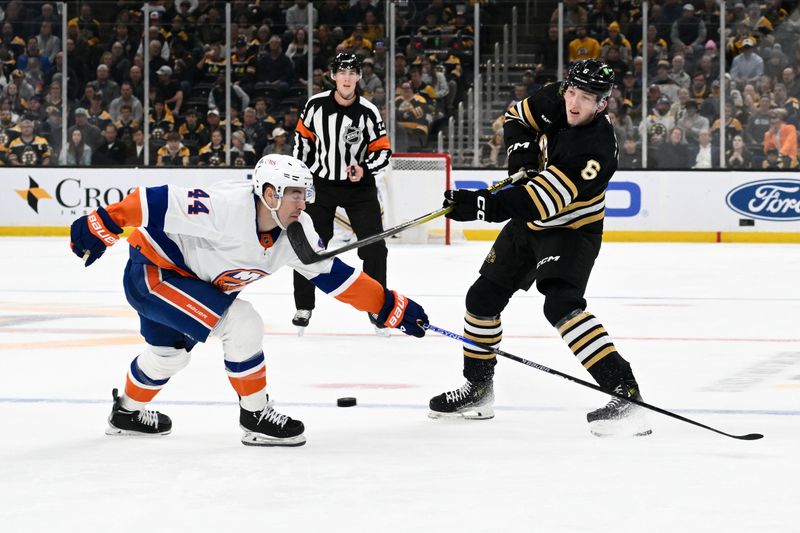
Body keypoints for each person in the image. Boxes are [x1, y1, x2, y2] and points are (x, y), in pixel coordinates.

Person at [68, 154, 427, 447]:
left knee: (168, 357)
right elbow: (150, 200)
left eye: (305, 194)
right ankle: (255, 414)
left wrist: (387, 306)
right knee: (243, 322)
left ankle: (126, 414)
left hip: (190, 283)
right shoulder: (225, 207)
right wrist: (103, 223)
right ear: (269, 194)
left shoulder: (296, 232)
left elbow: (336, 278)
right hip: (155, 273)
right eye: (294, 194)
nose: (302, 203)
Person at [428, 60, 652, 438]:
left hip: (571, 230)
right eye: (572, 93)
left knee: (561, 304)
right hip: (528, 227)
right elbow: (516, 117)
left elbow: (540, 202)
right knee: (481, 300)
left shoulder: (594, 151)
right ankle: (478, 390)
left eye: (586, 98)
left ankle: (624, 390)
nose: (574, 103)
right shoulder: (556, 97)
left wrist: (480, 205)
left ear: (602, 105)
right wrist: (524, 158)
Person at [291, 53, 392, 334]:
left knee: (375, 248)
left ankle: (377, 306)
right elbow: (301, 143)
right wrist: (304, 176)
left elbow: (383, 151)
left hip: (359, 187)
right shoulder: (315, 106)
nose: (347, 77)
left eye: (352, 72)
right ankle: (304, 305)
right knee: (308, 246)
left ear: (359, 76)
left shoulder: (368, 111)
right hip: (322, 185)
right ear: (333, 76)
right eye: (342, 72)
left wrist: (365, 168)